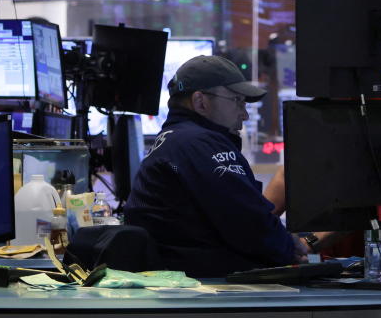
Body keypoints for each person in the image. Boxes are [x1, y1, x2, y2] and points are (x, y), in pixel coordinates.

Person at [124, 55, 305, 277]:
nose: (245, 113)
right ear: (201, 102)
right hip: (203, 287)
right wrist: (290, 249)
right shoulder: (199, 143)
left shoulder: (176, 140)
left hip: (178, 281)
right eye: (237, 101)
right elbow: (247, 222)